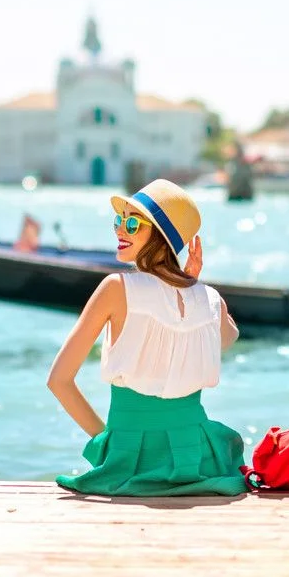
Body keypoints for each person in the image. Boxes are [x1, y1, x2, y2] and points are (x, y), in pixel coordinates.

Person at [48, 178, 248, 496]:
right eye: (119, 220)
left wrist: (107, 447)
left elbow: (58, 380)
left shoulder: (116, 288)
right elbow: (226, 337)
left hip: (131, 459)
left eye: (132, 222)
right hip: (199, 458)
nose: (119, 230)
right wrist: (192, 284)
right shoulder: (209, 299)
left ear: (161, 237)